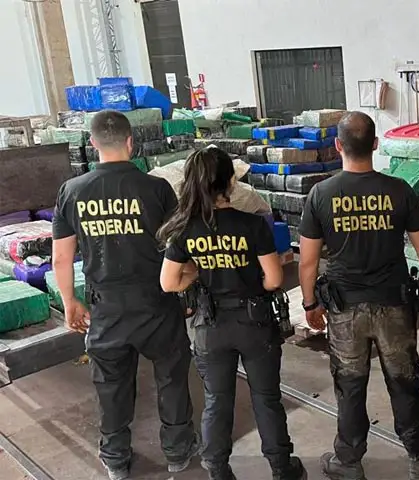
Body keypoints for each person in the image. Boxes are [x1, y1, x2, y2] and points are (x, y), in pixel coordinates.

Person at [298, 111, 419, 480]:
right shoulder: (399, 191)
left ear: (337, 145)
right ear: (376, 144)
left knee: (349, 384)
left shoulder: (321, 194)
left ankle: (349, 461)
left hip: (344, 308)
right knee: (404, 378)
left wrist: (310, 303)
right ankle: (418, 452)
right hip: (394, 304)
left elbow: (308, 262)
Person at [51, 110, 197, 480]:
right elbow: (179, 248)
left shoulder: (72, 191)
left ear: (93, 143)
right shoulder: (156, 189)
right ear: (131, 142)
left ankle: (116, 458)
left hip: (106, 307)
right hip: (156, 302)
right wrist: (187, 286)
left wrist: (69, 301)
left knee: (111, 385)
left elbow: (61, 257)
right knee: (171, 376)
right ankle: (178, 450)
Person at [157, 146, 306, 480]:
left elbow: (168, 283)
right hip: (254, 323)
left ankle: (218, 469)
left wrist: (197, 272)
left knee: (217, 400)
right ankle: (282, 468)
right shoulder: (252, 225)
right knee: (267, 398)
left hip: (209, 326)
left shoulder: (184, 229)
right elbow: (274, 280)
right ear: (230, 182)